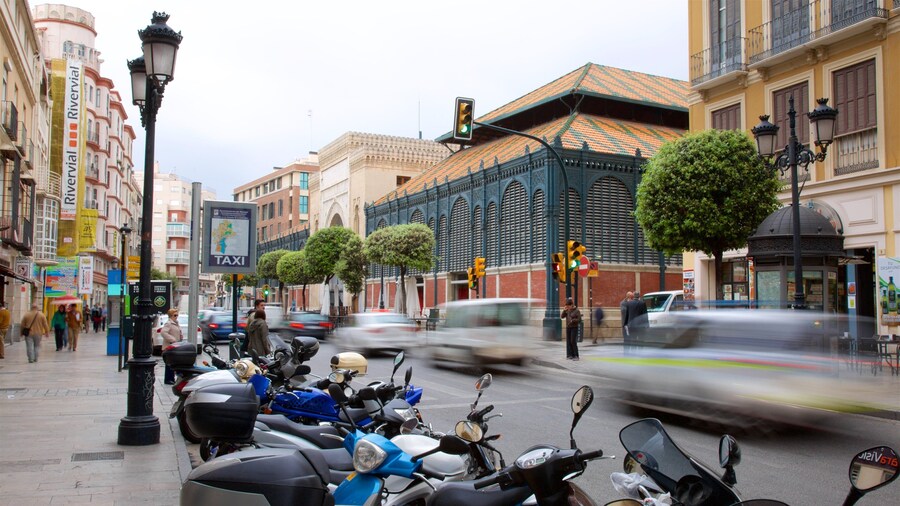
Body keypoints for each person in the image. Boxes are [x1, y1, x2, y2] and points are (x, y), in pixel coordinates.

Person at [160, 308, 183, 385]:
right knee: (169, 363)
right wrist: (172, 339)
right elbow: (163, 332)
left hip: (175, 346)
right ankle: (168, 379)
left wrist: (180, 336)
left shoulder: (176, 323)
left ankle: (172, 378)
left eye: (177, 315)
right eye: (175, 315)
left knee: (174, 362)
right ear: (170, 315)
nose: (176, 316)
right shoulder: (169, 323)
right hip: (169, 346)